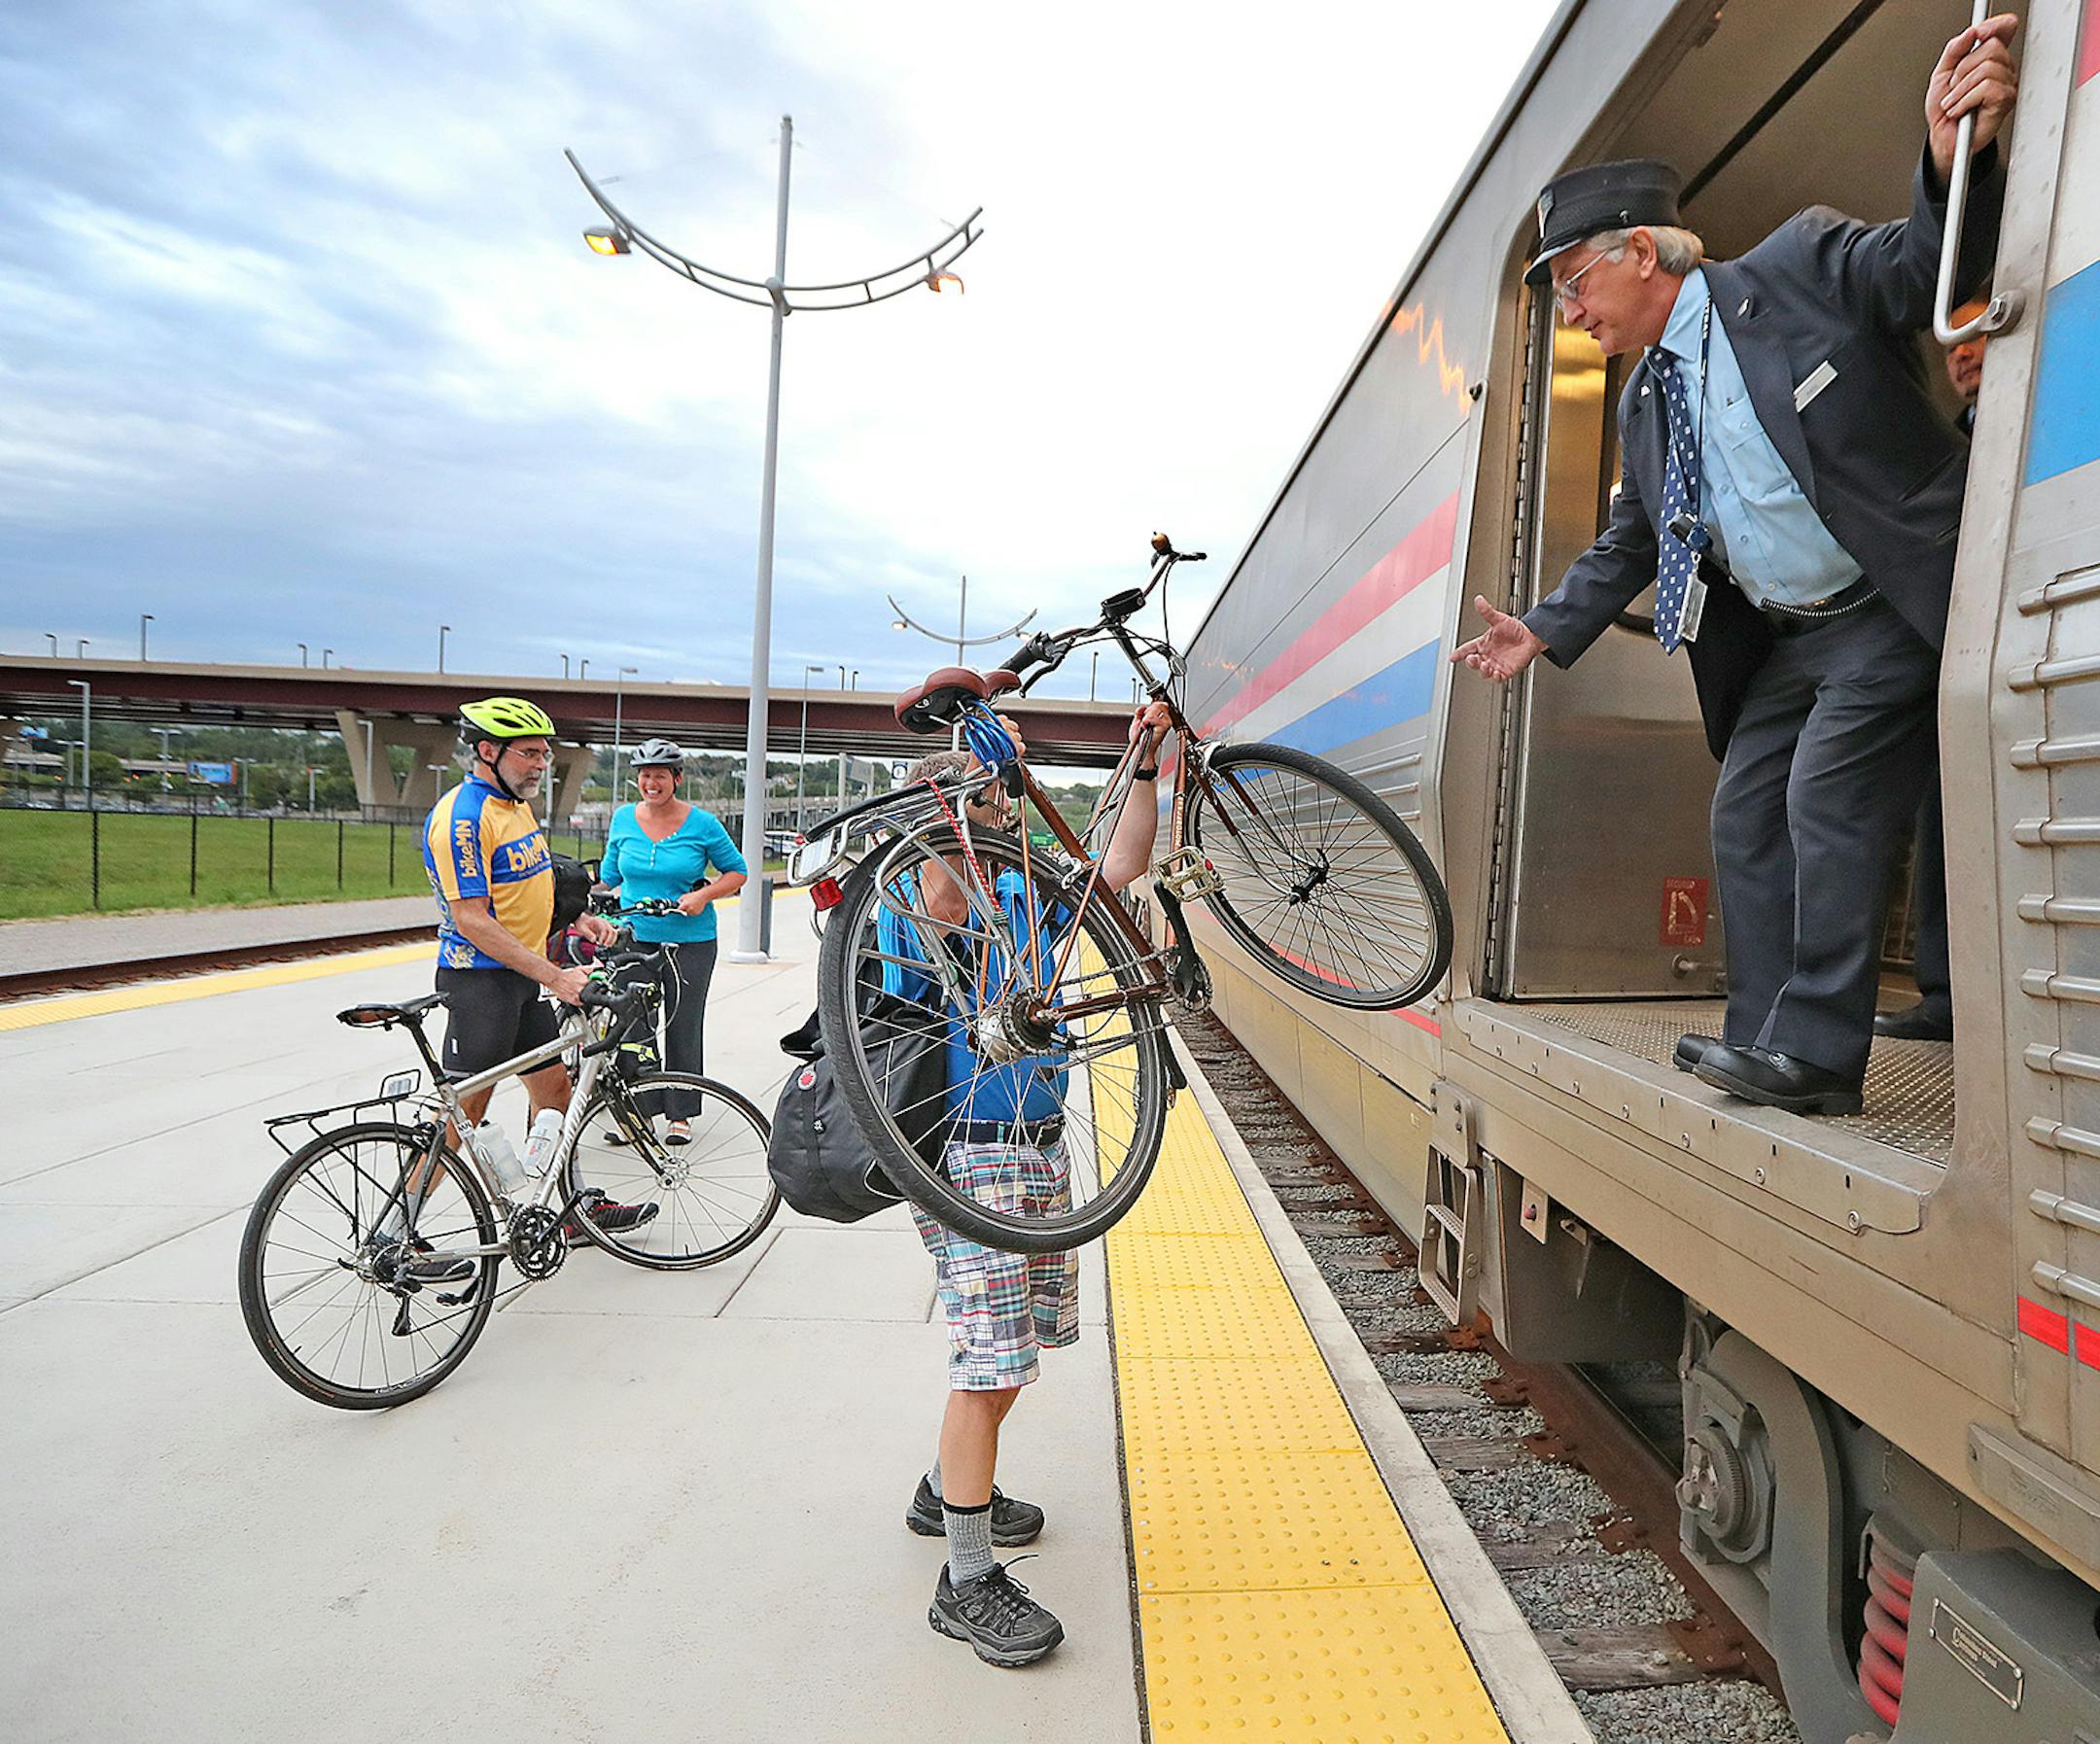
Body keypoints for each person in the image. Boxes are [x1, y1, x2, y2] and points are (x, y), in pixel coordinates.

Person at [1452, 17, 2017, 1115]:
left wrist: (1954, 161)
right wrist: (1545, 627)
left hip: (1891, 599)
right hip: (1788, 637)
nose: (1569, 312)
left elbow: (1916, 272)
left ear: (1642, 251)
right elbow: (1633, 535)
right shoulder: (1644, 398)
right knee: (1746, 807)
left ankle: (1819, 1059)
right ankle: (1764, 1034)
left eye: (1574, 284)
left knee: (1827, 795)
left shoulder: (1796, 269)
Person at [885, 702, 1172, 1668]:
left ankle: (945, 1490)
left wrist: (1145, 765)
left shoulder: (1034, 890)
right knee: (992, 1361)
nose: (1001, 805)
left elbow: (1121, 867)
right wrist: (960, 794)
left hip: (1042, 1145)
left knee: (1018, 1348)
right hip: (969, 1152)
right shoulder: (927, 884)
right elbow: (941, 903)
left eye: (1005, 790)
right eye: (981, 791)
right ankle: (964, 1582)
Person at [415, 696, 655, 1267]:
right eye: (528, 753)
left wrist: (578, 920)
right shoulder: (462, 818)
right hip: (480, 985)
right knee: (461, 1117)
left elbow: (528, 885)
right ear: (486, 752)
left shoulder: (514, 806)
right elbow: (473, 919)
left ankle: (565, 1212)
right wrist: (558, 976)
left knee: (554, 1093)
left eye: (545, 753)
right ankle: (401, 1229)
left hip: (519, 982)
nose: (541, 763)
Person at [1876, 296, 1988, 1045]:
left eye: (1978, 335)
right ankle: (1949, 997)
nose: (1963, 354)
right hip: (1958, 650)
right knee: (1943, 818)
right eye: (1952, 343)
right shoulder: (1951, 443)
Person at [597, 737, 749, 1143]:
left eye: (660, 775)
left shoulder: (703, 824)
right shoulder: (623, 819)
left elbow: (737, 872)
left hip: (691, 942)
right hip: (634, 937)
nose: (651, 783)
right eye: (645, 775)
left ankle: (680, 1113)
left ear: (676, 779)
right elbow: (609, 876)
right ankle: (639, 1114)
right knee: (634, 1026)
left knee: (682, 1024)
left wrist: (702, 896)